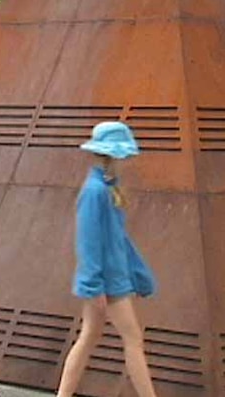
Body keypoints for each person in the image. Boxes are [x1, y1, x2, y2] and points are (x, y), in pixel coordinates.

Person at [56, 122, 158, 397]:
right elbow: (89, 243)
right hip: (109, 281)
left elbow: (115, 240)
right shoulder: (97, 191)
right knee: (132, 339)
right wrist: (94, 285)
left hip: (108, 279)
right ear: (113, 155)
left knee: (89, 336)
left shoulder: (105, 188)